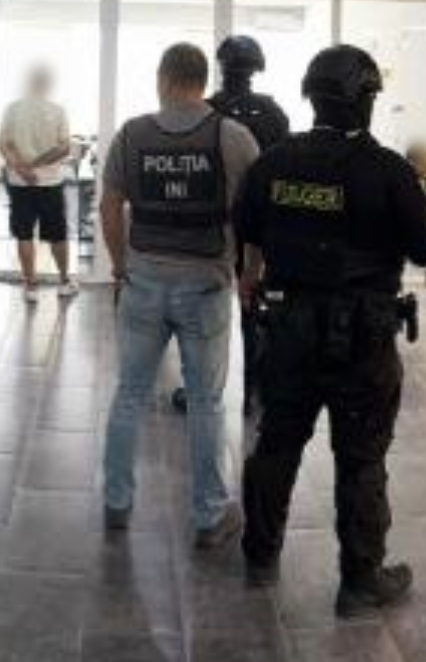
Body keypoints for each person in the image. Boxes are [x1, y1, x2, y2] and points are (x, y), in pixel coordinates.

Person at [237, 45, 426, 618]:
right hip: (362, 337)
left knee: (277, 441)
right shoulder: (388, 171)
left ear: (313, 98)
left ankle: (260, 553)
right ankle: (360, 581)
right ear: (366, 100)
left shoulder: (275, 163)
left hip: (287, 329)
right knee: (361, 457)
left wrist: (252, 276)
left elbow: (248, 227)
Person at [99, 43, 260, 545]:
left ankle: (116, 502)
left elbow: (108, 206)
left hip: (144, 281)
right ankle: (210, 516)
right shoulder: (233, 137)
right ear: (202, 80)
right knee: (207, 403)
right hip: (206, 286)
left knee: (129, 393)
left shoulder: (131, 134)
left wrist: (121, 266)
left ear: (164, 78)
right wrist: (251, 272)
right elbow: (255, 217)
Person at [171, 34, 292, 416]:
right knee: (256, 306)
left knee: (203, 311)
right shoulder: (273, 112)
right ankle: (257, 390)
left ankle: (201, 387)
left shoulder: (205, 110)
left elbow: (188, 171)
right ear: (257, 68)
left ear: (221, 66)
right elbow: (282, 169)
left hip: (212, 226)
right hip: (260, 224)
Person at [0, 65, 76, 302]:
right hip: (50, 182)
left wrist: (22, 168)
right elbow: (64, 148)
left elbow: (4, 144)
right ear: (47, 84)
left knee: (23, 235)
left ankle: (31, 287)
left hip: (18, 182)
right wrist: (35, 166)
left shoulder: (12, 109)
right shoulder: (58, 110)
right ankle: (64, 283)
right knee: (57, 235)